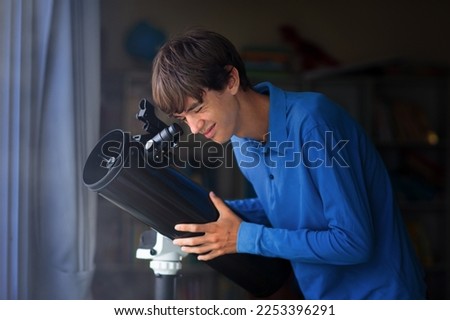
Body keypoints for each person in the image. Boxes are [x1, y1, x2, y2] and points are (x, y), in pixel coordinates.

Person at [150, 28, 427, 299]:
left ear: (231, 80)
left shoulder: (314, 123)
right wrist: (207, 213)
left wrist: (246, 238)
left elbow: (353, 242)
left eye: (198, 108)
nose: (194, 128)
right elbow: (290, 206)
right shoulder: (240, 141)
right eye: (183, 118)